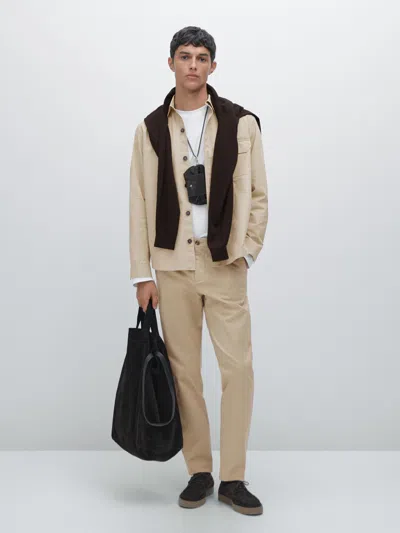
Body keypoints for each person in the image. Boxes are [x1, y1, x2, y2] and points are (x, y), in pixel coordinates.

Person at [129, 26, 268, 516]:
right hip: (172, 266)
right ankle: (200, 471)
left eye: (202, 57)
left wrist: (247, 252)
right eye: (185, 56)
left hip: (225, 262)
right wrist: (141, 274)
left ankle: (233, 477)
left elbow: (258, 195)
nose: (193, 64)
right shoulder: (150, 128)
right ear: (171, 63)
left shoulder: (241, 123)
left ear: (213, 65)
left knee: (238, 370)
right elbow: (139, 202)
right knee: (185, 373)